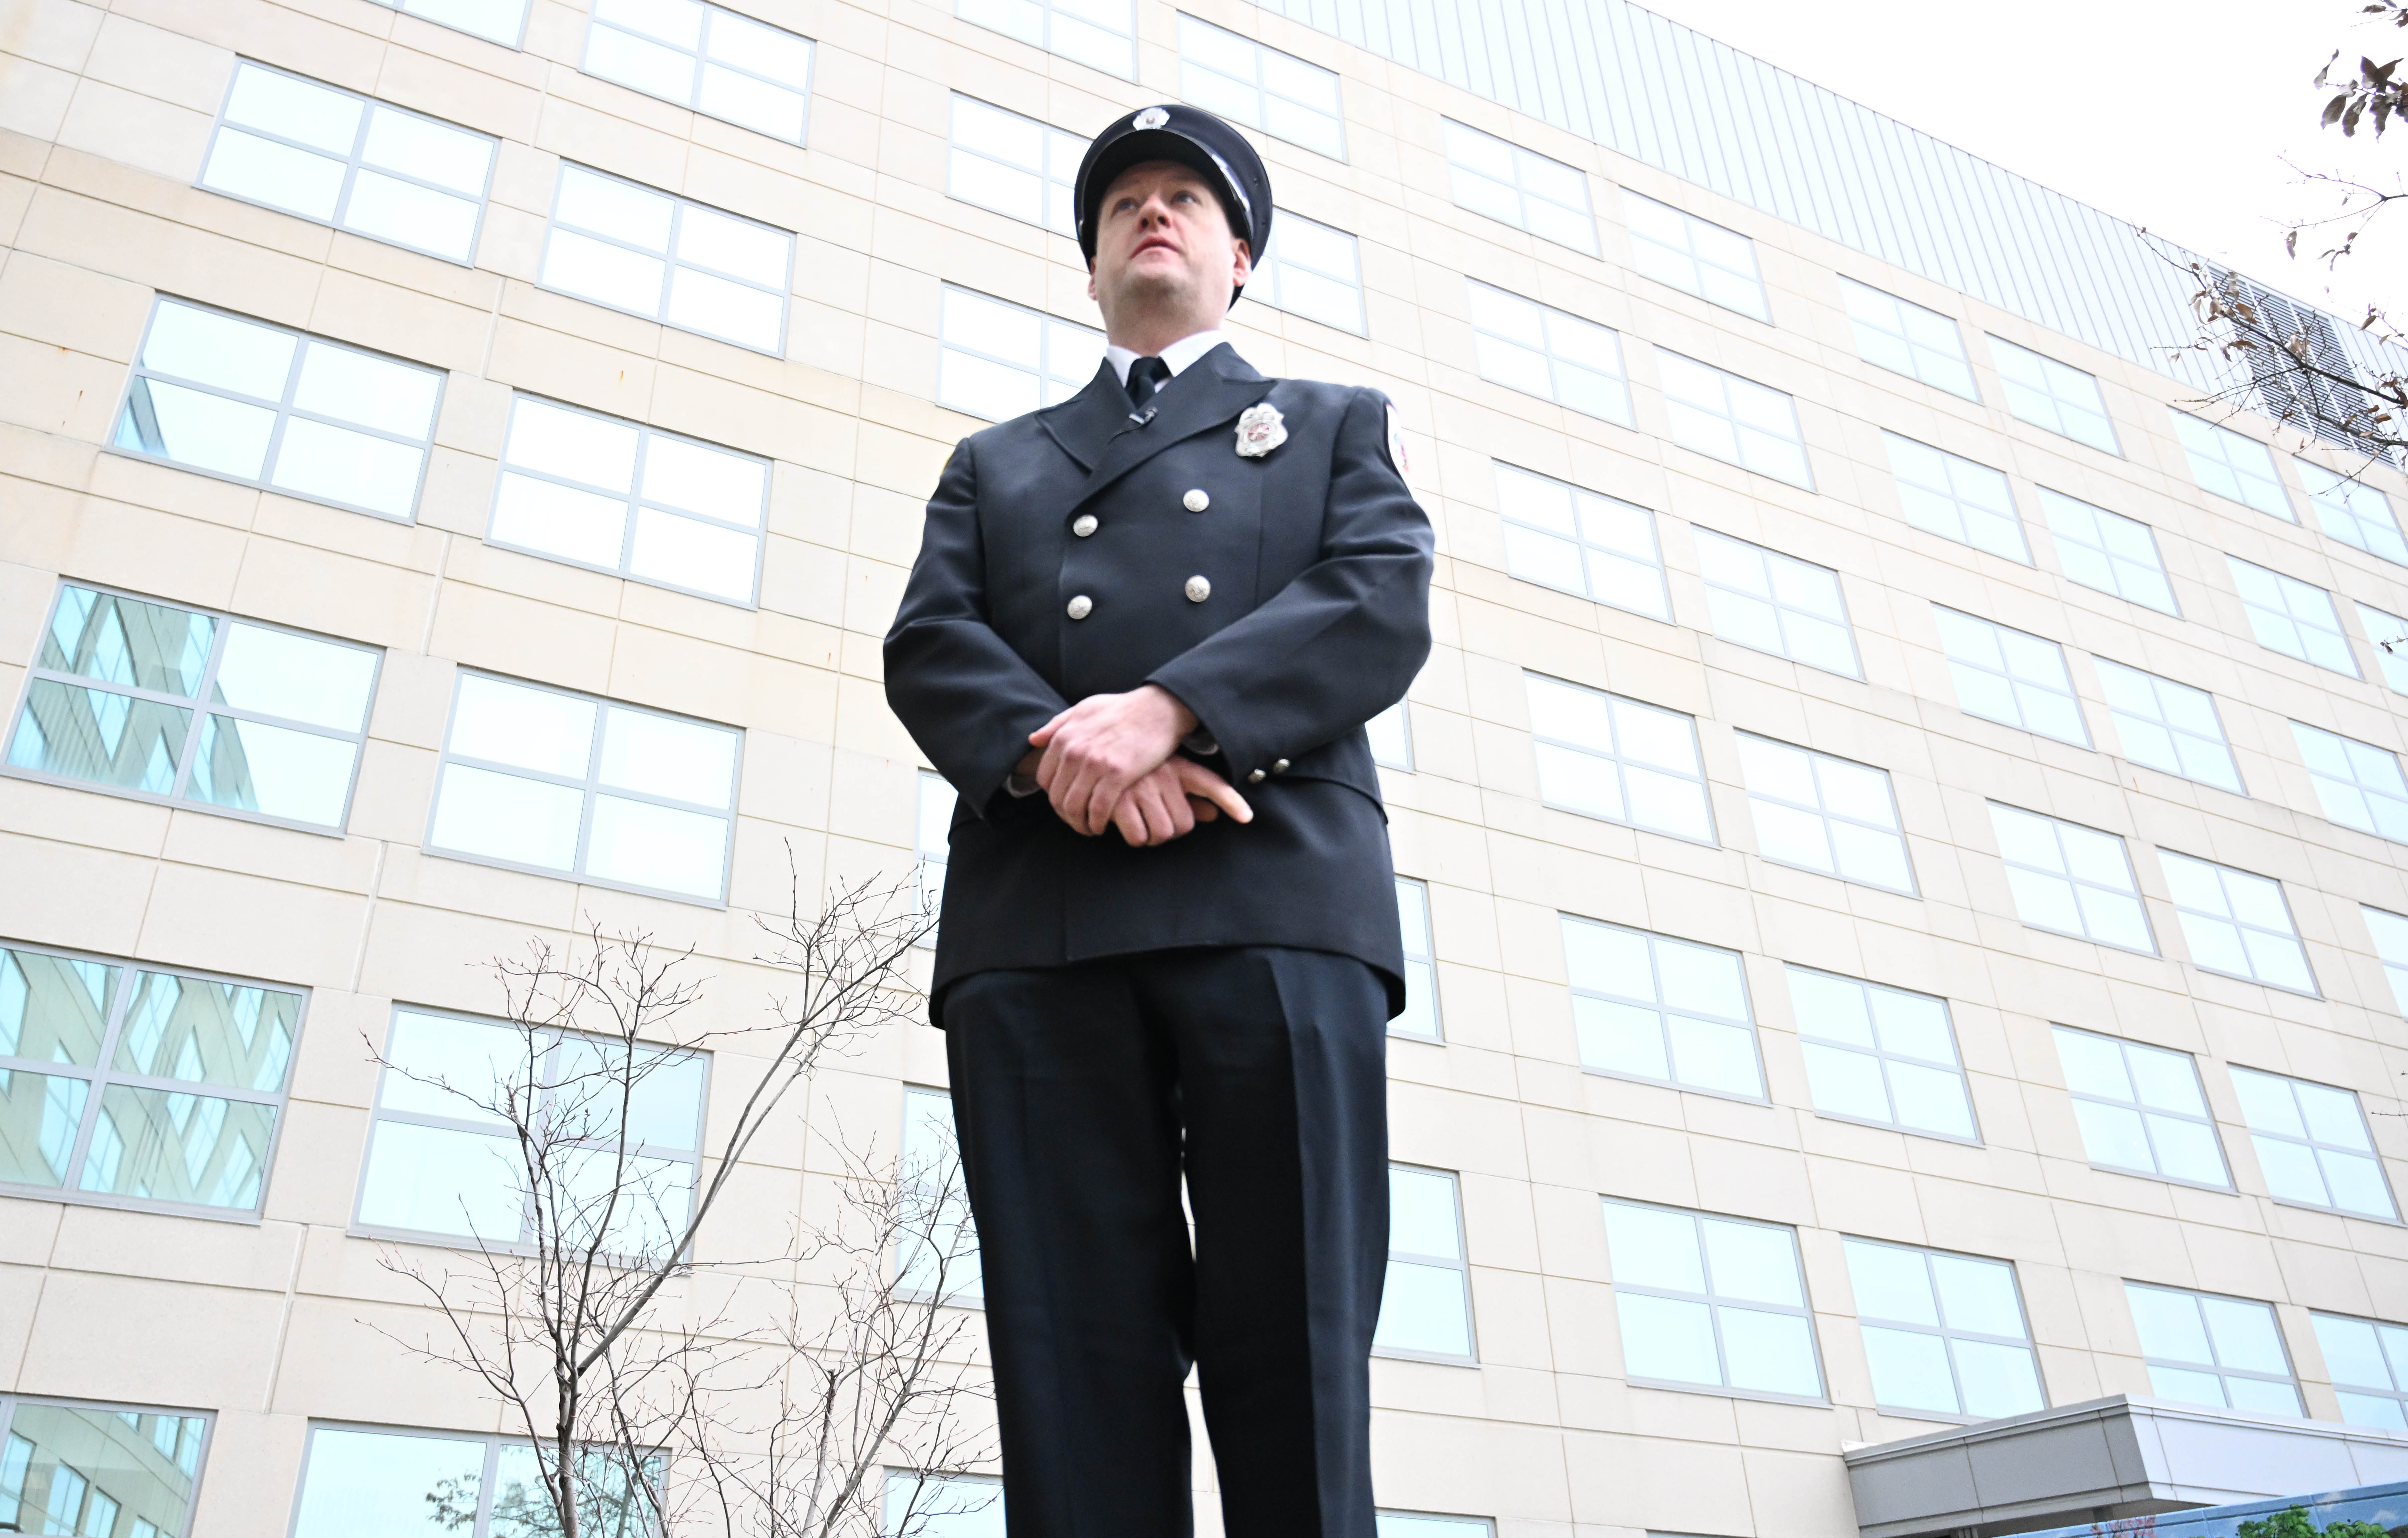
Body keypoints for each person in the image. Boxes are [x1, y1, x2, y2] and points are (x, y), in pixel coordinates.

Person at [884, 101, 1435, 1538]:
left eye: (1188, 197)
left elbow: (1378, 599)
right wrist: (1067, 755)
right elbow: (931, 643)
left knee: (1295, 1346)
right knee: (1071, 1365)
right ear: (1090, 268)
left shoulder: (1332, 423)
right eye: (1126, 198)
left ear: (1238, 258)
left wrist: (1170, 711)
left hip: (1274, 900)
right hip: (1042, 922)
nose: (1153, 211)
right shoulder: (997, 462)